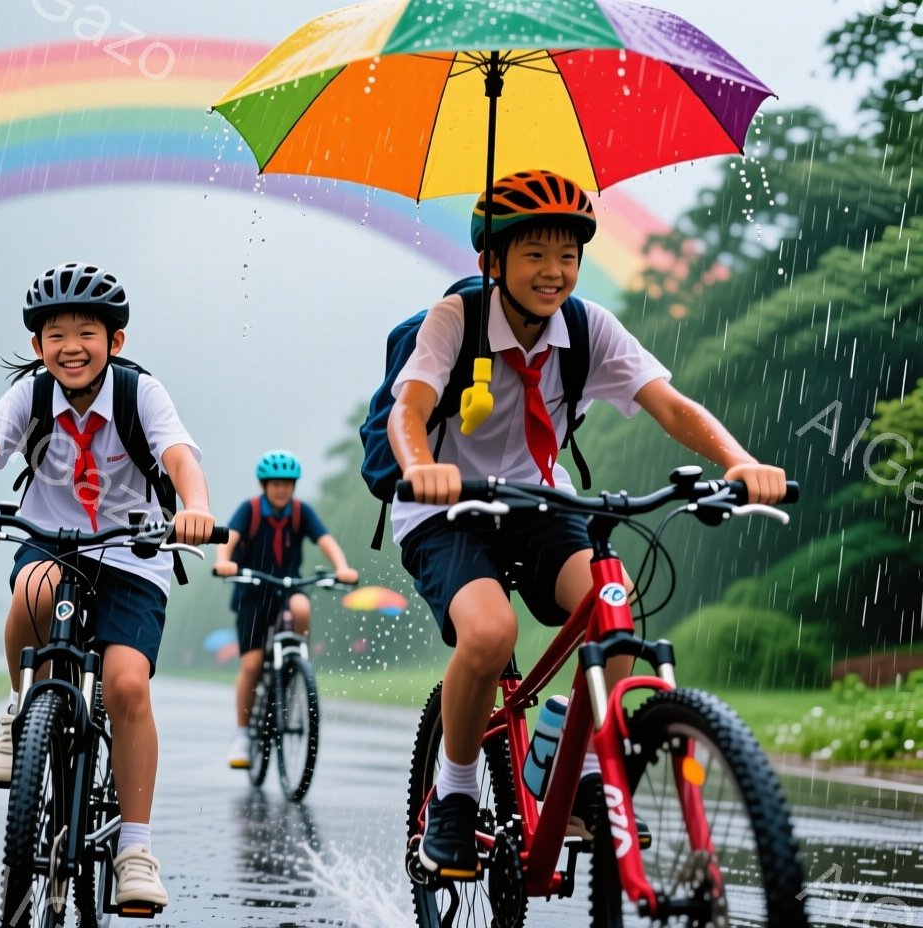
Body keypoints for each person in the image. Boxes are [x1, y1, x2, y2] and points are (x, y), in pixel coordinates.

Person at [388, 171, 789, 878]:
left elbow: (670, 405)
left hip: (542, 504)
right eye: (535, 253)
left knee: (616, 605)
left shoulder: (586, 325)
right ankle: (451, 795)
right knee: (489, 633)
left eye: (568, 254)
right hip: (446, 507)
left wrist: (739, 460)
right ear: (492, 262)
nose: (555, 271)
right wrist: (422, 464)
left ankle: (571, 773)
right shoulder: (452, 319)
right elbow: (408, 411)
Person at [0, 261, 216, 909]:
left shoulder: (142, 394)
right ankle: (21, 704)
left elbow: (179, 457)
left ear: (117, 341)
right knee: (37, 586)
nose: (71, 346)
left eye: (87, 331)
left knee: (127, 684)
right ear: (36, 346)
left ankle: (135, 849)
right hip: (51, 539)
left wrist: (194, 504)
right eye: (56, 334)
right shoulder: (32, 396)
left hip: (134, 553)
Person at [212, 450, 357, 768]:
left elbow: (325, 539)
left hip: (288, 588)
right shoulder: (249, 511)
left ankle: (293, 665)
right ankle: (242, 737)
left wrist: (342, 566)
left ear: (294, 486)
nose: (282, 489)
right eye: (276, 484)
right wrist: (223, 562)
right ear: (265, 485)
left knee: (302, 606)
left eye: (288, 484)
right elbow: (230, 539)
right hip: (252, 592)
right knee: (251, 665)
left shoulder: (300, 512)